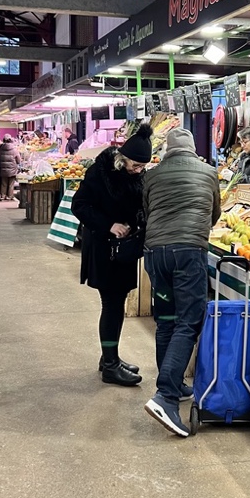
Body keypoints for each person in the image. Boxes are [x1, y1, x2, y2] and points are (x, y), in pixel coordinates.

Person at [143, 128, 221, 438]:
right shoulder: (209, 172)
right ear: (193, 149)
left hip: (156, 254)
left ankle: (172, 384)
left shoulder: (151, 175)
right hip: (188, 252)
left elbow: (148, 211)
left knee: (166, 321)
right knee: (188, 323)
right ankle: (166, 397)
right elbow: (214, 214)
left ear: (167, 150)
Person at [71, 123, 153, 386]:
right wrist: (109, 224)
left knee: (117, 303)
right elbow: (79, 206)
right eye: (135, 166)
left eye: (142, 167)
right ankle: (110, 366)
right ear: (122, 159)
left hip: (124, 251)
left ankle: (109, 356)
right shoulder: (99, 173)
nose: (138, 170)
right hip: (104, 250)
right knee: (112, 304)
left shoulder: (135, 176)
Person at [0, 133, 20, 200]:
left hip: (3, 168)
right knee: (11, 184)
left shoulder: (1, 148)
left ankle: (3, 195)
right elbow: (18, 160)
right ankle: (10, 196)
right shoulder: (14, 149)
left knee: (3, 183)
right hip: (12, 169)